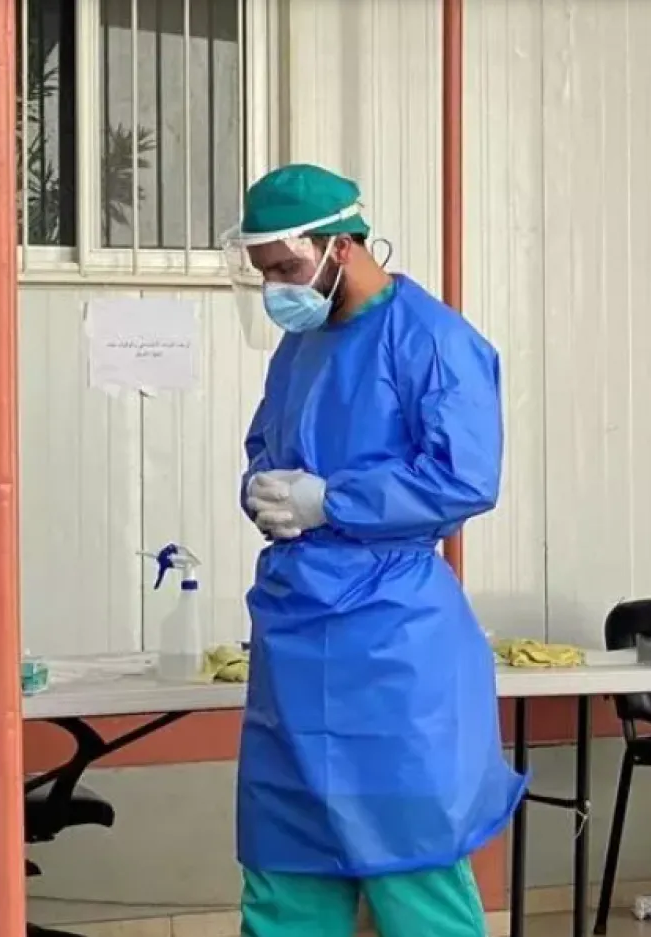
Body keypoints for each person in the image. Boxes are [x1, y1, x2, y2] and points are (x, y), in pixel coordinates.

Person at [221, 163, 525, 937]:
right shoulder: (301, 346)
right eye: (265, 274)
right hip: (294, 638)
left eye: (287, 268)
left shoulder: (432, 341)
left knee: (411, 868)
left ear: (343, 247)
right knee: (287, 871)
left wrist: (334, 500)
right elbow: (270, 442)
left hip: (392, 643)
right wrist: (264, 489)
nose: (277, 288)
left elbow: (464, 476)